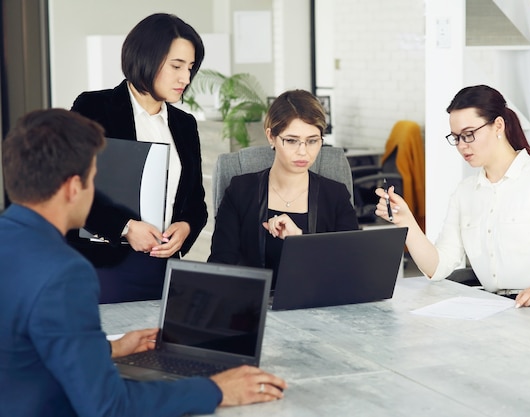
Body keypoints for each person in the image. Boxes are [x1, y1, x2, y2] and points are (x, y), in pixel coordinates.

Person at [0, 108, 286, 416]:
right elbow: (110, 405)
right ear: (73, 188)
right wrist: (216, 390)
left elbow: (24, 347)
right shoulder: (65, 272)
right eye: (94, 179)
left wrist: (109, 349)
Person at [376, 85, 530, 311]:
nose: (462, 146)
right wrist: (406, 221)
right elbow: (437, 267)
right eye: (456, 138)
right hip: (496, 307)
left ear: (498, 125)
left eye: (469, 134)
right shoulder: (465, 192)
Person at [68, 13, 208, 303]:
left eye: (191, 67)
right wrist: (127, 228)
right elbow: (68, 189)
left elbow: (195, 202)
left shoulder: (184, 124)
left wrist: (186, 228)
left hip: (164, 266)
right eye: (176, 66)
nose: (186, 78)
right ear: (146, 58)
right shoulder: (94, 108)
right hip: (103, 265)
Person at [208, 89, 359, 287]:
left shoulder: (335, 195)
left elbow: (350, 268)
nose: (303, 152)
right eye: (291, 140)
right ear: (271, 137)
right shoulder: (240, 190)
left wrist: (299, 240)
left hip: (318, 307)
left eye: (312, 141)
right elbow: (220, 265)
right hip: (251, 307)